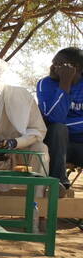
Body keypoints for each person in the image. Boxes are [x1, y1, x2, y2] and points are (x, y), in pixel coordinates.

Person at [36, 47, 83, 188]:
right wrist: (65, 84)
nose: (52, 67)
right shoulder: (45, 84)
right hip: (58, 147)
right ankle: (58, 183)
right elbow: (54, 118)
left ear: (76, 68)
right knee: (58, 128)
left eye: (58, 64)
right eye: (53, 63)